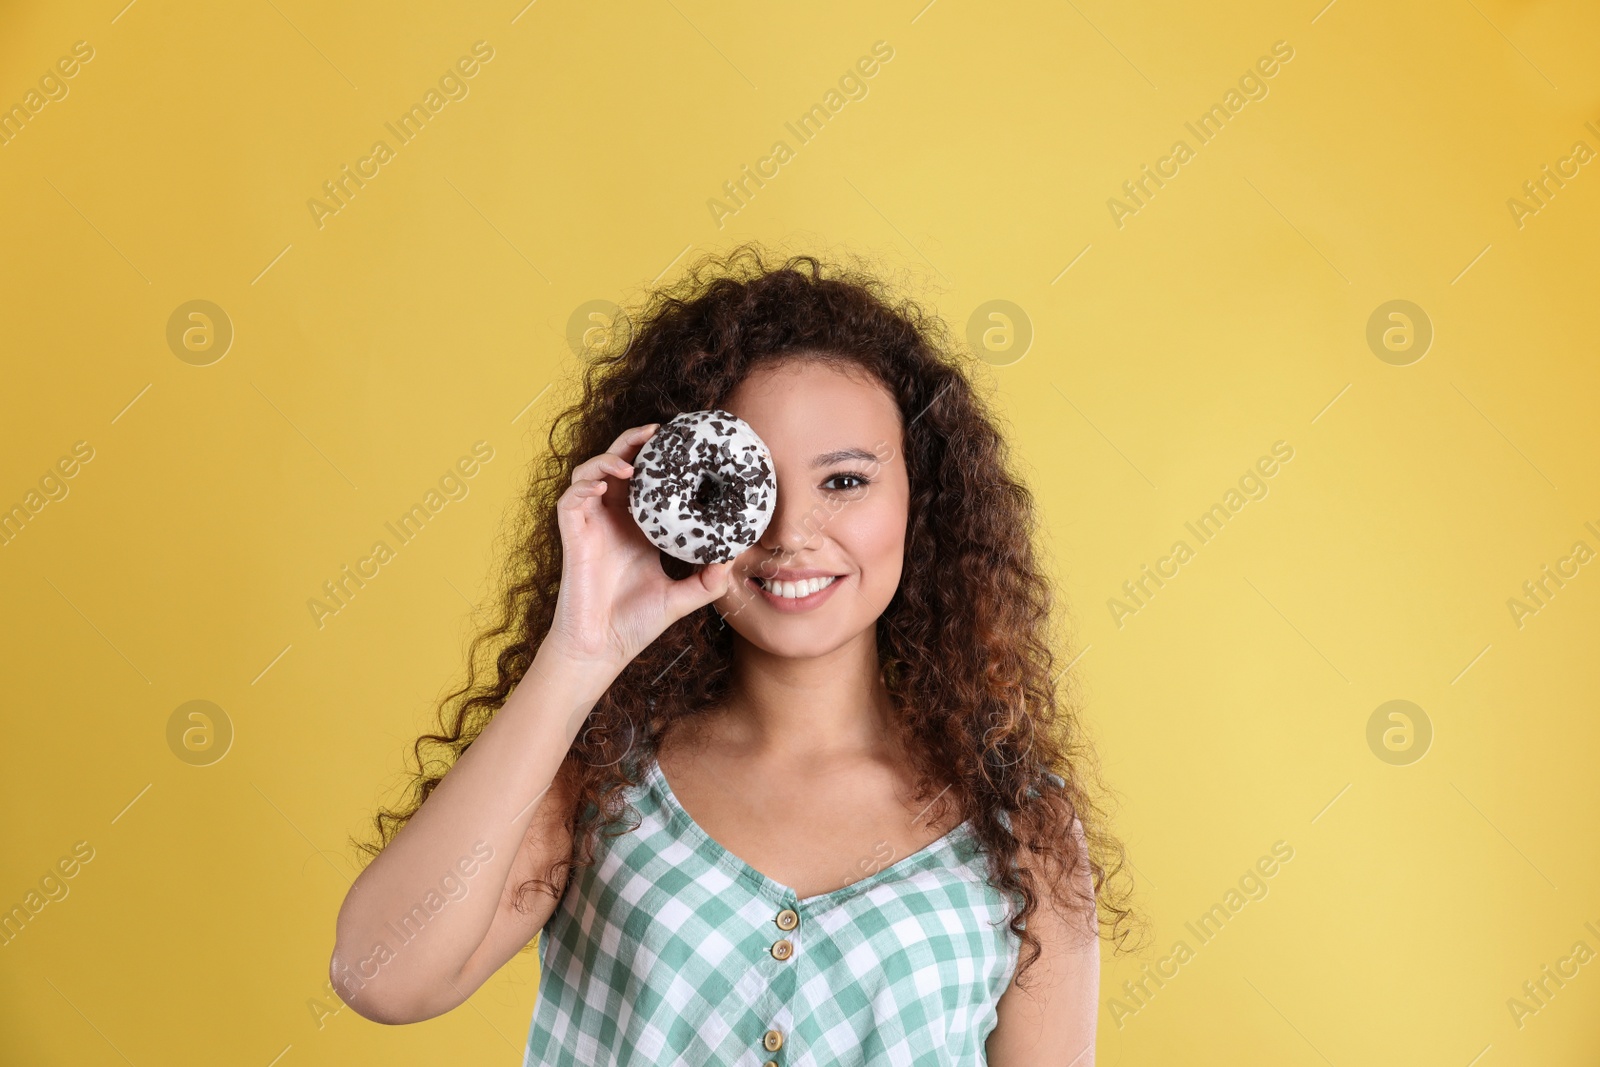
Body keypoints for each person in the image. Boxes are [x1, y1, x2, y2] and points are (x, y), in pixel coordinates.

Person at [330, 246, 1134, 1064]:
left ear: (919, 500)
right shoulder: (603, 775)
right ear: (676, 504)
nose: (790, 534)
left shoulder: (1018, 824)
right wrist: (580, 650)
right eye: (743, 487)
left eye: (845, 481)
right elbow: (380, 976)